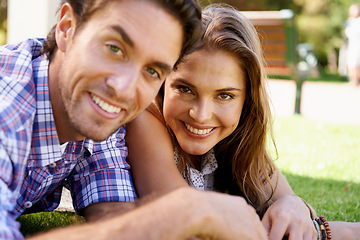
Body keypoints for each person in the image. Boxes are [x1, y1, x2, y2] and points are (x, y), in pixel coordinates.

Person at [1, 1, 266, 239]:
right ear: (67, 28)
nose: (125, 90)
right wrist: (187, 211)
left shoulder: (98, 118)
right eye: (114, 49)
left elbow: (114, 212)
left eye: (152, 70)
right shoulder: (8, 106)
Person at [126, 4, 360, 240]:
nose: (201, 114)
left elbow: (293, 218)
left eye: (224, 95)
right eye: (185, 89)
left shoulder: (238, 139)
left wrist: (294, 204)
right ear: (164, 83)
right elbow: (182, 215)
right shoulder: (145, 118)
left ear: (246, 101)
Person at [345, 3, 360, 86]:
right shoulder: (350, 21)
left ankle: (355, 82)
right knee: (351, 64)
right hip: (352, 45)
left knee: (355, 64)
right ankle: (352, 81)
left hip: (357, 45)